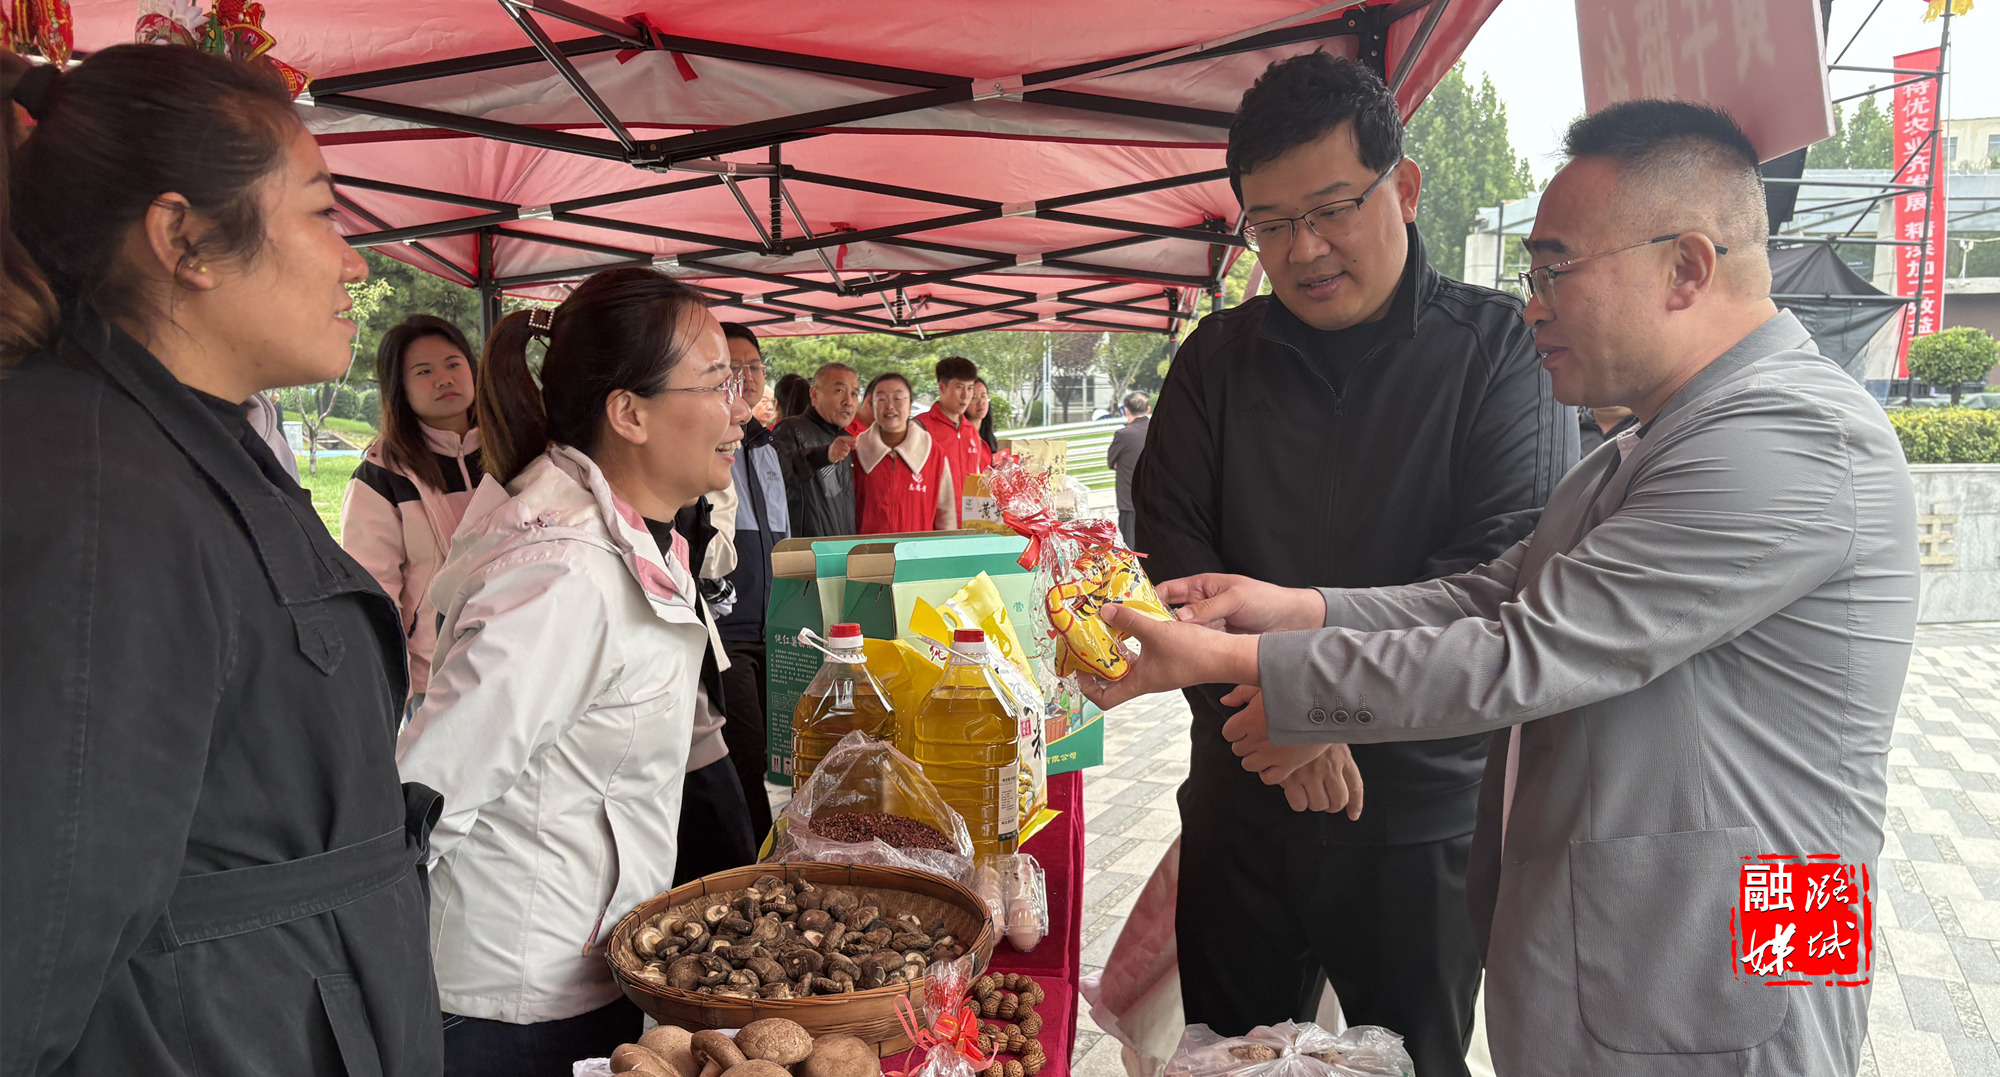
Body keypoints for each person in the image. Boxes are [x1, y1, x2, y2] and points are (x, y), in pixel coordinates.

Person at [1093, 100, 1917, 1077]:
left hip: (1738, 937)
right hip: (1638, 923)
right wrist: (1295, 612)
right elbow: (1494, 593)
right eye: (1531, 276)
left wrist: (1259, 665)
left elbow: (1528, 646)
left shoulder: (1788, 437)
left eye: (1555, 270)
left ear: (1686, 268)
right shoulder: (1648, 442)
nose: (1534, 305)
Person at [1130, 53, 1573, 1076]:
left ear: (1403, 187)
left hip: (1417, 810)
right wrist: (1279, 729)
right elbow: (1173, 563)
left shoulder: (1497, 352)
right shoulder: (1214, 361)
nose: (1305, 249)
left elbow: (1494, 578)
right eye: (1271, 223)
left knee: (1415, 1059)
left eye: (1331, 209)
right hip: (1243, 792)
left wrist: (1318, 707)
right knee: (1229, 1056)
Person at [2, 46, 441, 1076]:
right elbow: (31, 943)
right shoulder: (99, 496)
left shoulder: (181, 446)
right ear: (184, 240)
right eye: (321, 212)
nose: (355, 263)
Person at [396, 268, 739, 1073]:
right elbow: (426, 791)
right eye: (718, 382)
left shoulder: (636, 538)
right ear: (629, 413)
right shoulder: (563, 574)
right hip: (509, 1006)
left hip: (586, 968)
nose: (740, 409)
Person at [340, 314, 484, 710]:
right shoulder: (380, 477)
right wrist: (396, 688)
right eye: (424, 371)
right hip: (437, 675)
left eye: (453, 364)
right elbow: (375, 590)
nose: (444, 379)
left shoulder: (513, 452)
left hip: (522, 653)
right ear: (399, 388)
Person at [715, 322, 786, 843]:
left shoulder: (766, 444)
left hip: (775, 625)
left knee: (774, 753)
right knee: (746, 752)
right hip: (727, 629)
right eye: (731, 367)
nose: (745, 376)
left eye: (753, 366)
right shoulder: (708, 440)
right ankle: (752, 862)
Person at [854, 372, 956, 534]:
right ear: (871, 405)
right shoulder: (857, 451)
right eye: (881, 399)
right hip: (867, 549)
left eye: (898, 398)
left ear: (910, 405)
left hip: (918, 549)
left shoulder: (933, 453)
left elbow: (946, 515)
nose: (890, 406)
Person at [771, 362, 860, 537]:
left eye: (854, 394)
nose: (848, 401)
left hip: (842, 547)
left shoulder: (846, 439)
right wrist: (825, 455)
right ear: (814, 394)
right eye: (839, 390)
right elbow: (777, 473)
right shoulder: (790, 429)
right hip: (805, 549)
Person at [917, 355, 993, 525]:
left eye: (970, 388)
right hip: (933, 527)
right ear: (942, 388)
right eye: (959, 387)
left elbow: (977, 484)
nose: (966, 396)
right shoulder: (920, 428)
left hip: (968, 527)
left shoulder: (971, 432)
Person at [1106, 390, 1150, 548]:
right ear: (1148, 409)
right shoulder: (1159, 430)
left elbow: (1111, 461)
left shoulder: (1123, 434)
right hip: (1157, 497)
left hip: (1130, 499)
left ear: (1126, 410)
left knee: (1129, 545)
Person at [971, 376, 1001, 454]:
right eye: (974, 398)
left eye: (983, 396)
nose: (980, 402)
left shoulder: (988, 437)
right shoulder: (961, 436)